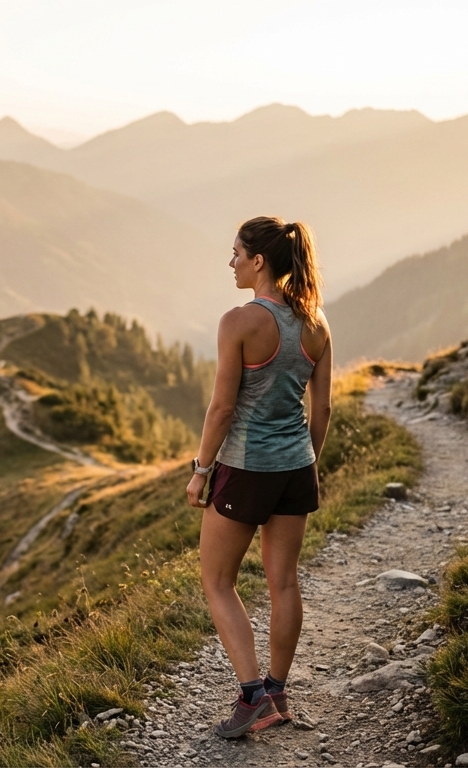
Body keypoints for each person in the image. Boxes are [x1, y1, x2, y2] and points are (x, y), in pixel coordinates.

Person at [186, 216, 332, 738]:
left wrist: (201, 472)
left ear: (259, 261)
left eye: (236, 254)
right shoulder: (315, 322)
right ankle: (277, 691)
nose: (231, 263)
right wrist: (305, 462)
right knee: (284, 581)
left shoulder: (239, 322)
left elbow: (222, 408)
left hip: (246, 469)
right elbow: (323, 410)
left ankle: (251, 698)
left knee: (217, 580)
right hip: (297, 468)